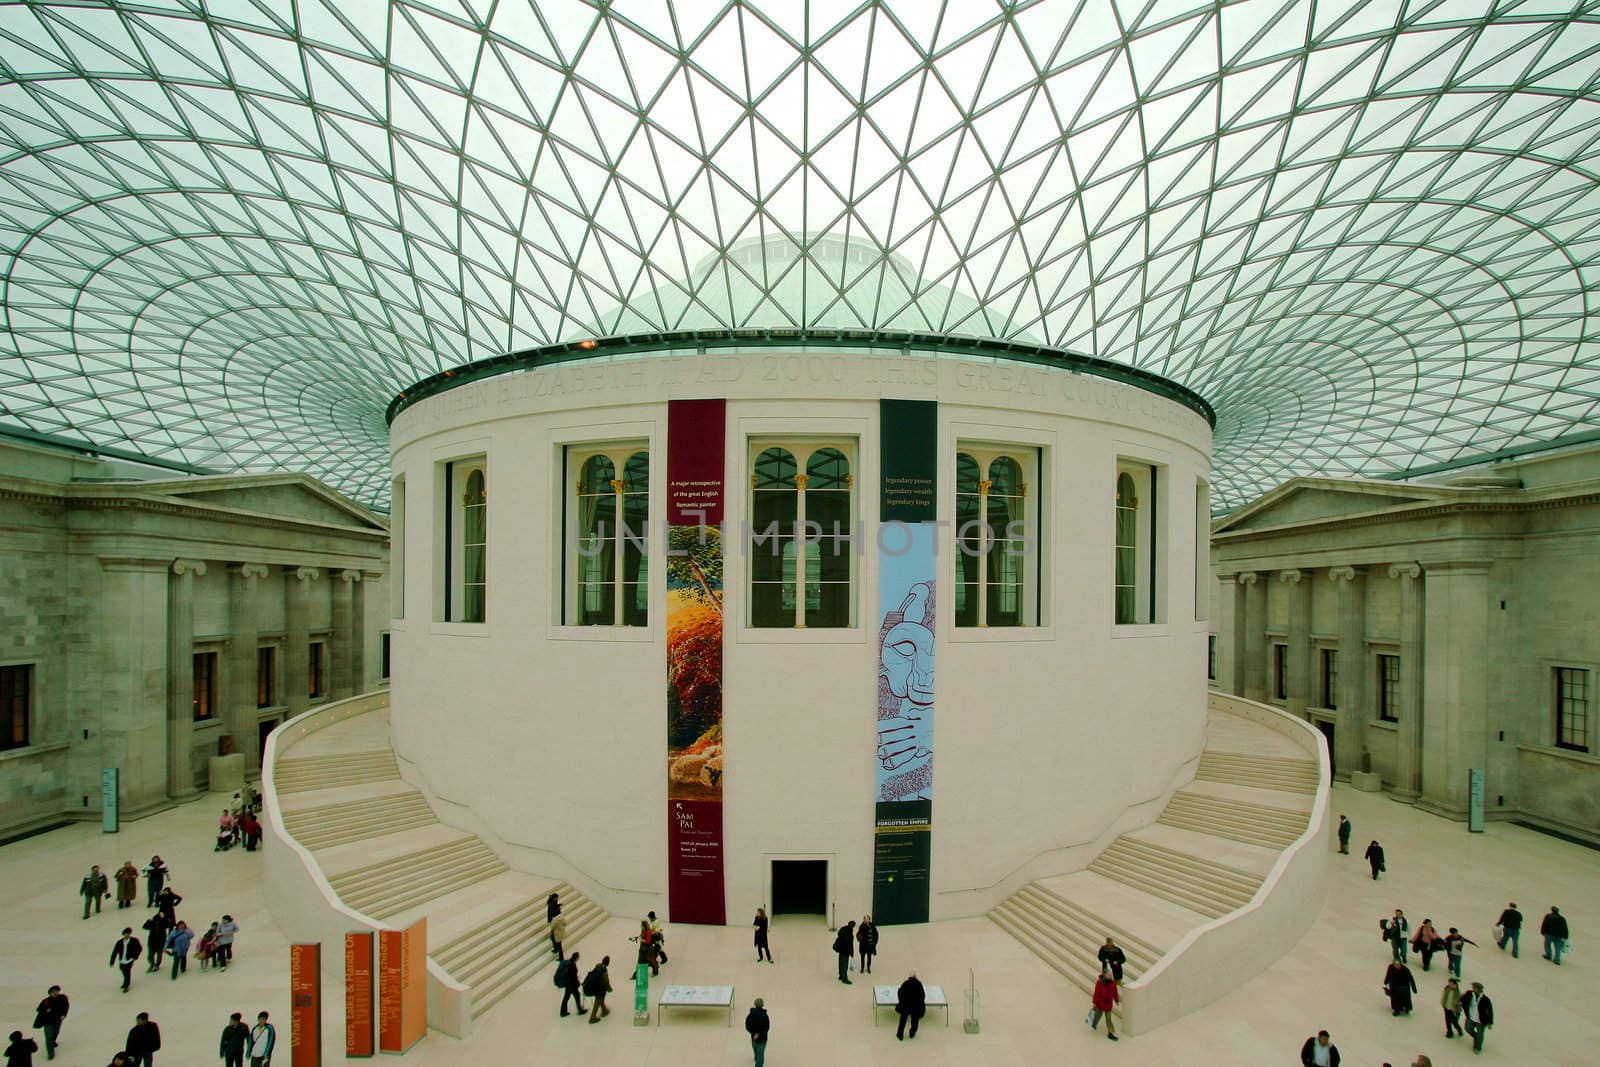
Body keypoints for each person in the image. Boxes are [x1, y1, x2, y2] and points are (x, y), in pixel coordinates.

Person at [32, 985, 68, 1061]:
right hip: (48, 1022)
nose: (55, 993)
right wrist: (46, 1010)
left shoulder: (63, 998)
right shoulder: (46, 1001)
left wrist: (64, 1014)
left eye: (56, 991)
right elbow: (39, 1010)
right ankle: (50, 1052)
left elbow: (66, 1006)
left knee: (56, 1032)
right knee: (49, 1037)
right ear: (50, 993)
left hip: (58, 1020)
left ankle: (53, 1042)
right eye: (53, 992)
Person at [1460, 980, 1493, 1054]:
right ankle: (1476, 1037)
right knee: (1467, 1028)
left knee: (1480, 1034)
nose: (1473, 989)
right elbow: (1463, 998)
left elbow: (1490, 1011)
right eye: (1473, 987)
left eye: (1474, 988)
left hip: (1481, 1021)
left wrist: (1490, 1022)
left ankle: (1478, 1047)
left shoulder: (1486, 999)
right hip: (1471, 1017)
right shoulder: (1469, 993)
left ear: (1479, 990)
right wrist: (1460, 1002)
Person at [108, 927, 142, 993]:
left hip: (129, 960)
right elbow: (115, 952)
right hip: (122, 960)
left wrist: (135, 956)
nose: (127, 935)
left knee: (127, 972)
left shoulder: (134, 941)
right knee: (122, 970)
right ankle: (125, 982)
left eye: (128, 933)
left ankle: (126, 986)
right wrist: (112, 961)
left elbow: (139, 948)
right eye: (125, 934)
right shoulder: (119, 942)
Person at [1089, 969, 1119, 1041]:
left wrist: (1116, 1000)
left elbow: (1115, 992)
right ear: (1105, 975)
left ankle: (1111, 1033)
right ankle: (1094, 1023)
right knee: (1098, 1015)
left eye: (1111, 974)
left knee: (1109, 1019)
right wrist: (1095, 1003)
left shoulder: (1112, 983)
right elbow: (1096, 993)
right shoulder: (1099, 983)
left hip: (1108, 1004)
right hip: (1100, 1003)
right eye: (1109, 974)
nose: (1111, 976)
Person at [895, 973, 925, 1041]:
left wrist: (901, 1001)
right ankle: (912, 1032)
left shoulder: (906, 983)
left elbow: (900, 992)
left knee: (903, 1020)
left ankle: (900, 1034)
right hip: (916, 1006)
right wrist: (920, 1004)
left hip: (906, 1005)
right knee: (915, 1021)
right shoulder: (919, 985)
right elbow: (922, 996)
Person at [584, 956, 612, 1023]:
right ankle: (592, 1018)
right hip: (599, 989)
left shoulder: (598, 966)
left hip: (595, 987)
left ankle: (604, 1010)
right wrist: (609, 989)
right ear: (608, 963)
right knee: (597, 1003)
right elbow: (606, 982)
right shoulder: (604, 971)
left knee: (600, 1000)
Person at [557, 950, 584, 1017]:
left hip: (567, 983)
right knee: (577, 995)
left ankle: (563, 1011)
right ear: (576, 958)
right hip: (571, 984)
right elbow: (573, 977)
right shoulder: (572, 965)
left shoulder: (569, 962)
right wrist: (578, 983)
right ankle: (580, 1010)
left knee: (566, 997)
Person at [744, 997, 770, 1066]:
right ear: (762, 1005)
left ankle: (756, 1057)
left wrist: (753, 1033)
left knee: (755, 1049)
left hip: (754, 1038)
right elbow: (766, 1028)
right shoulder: (765, 1016)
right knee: (760, 1055)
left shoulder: (751, 1015)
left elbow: (747, 1025)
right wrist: (759, 1034)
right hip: (762, 1039)